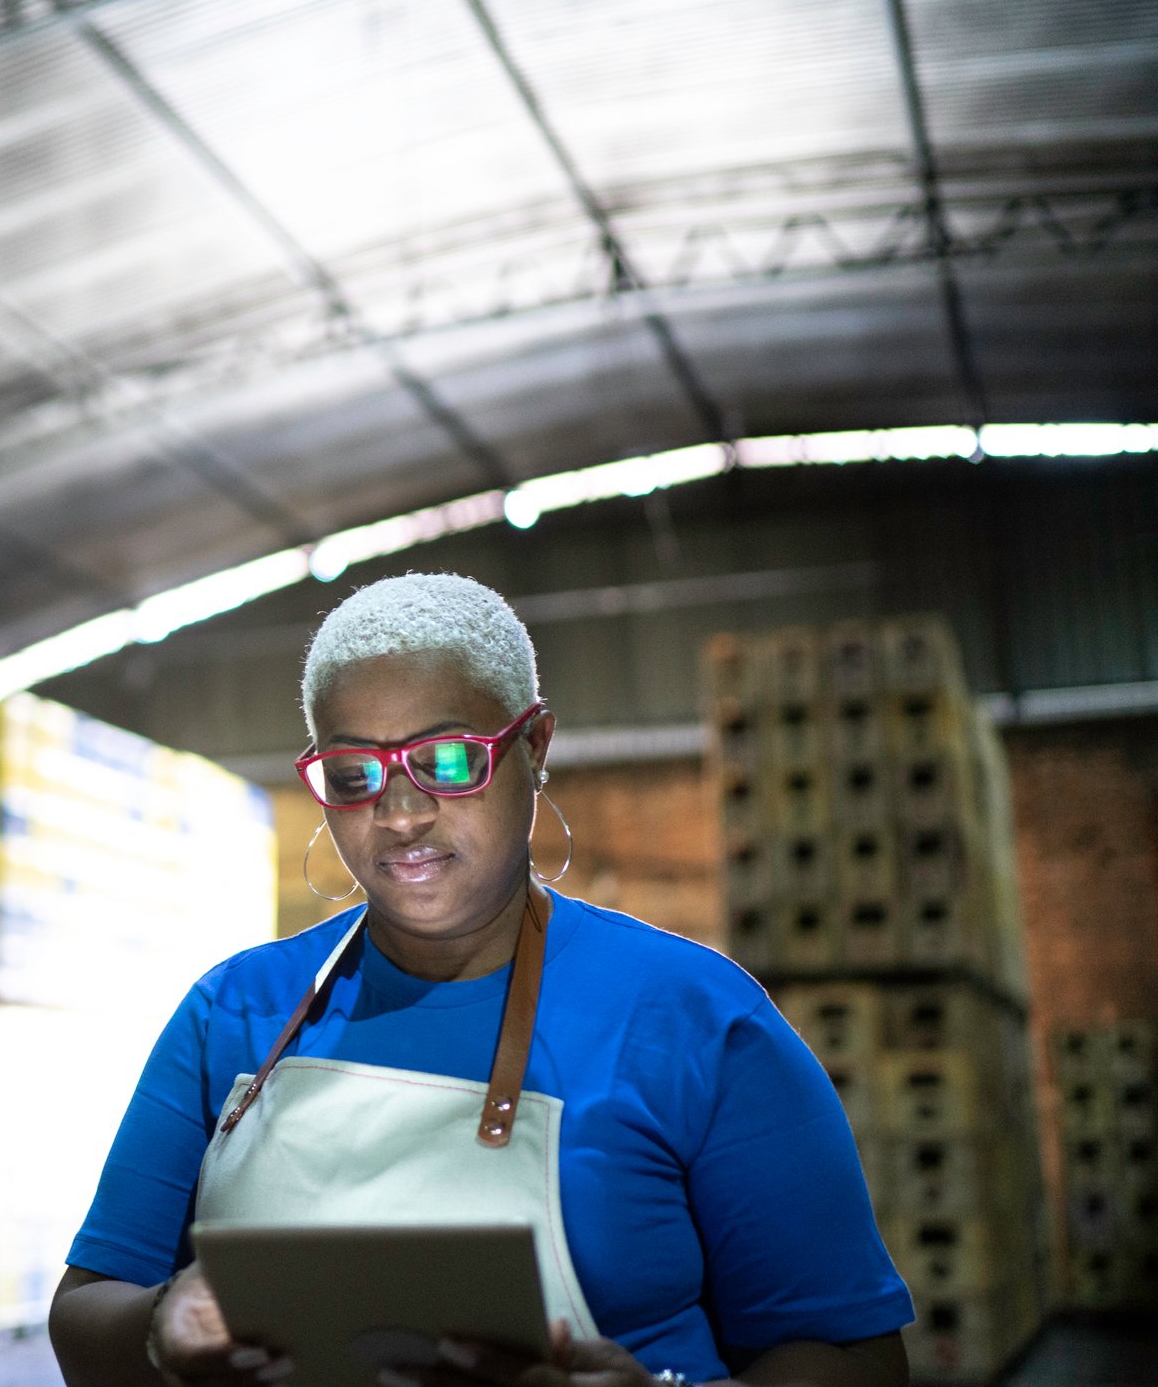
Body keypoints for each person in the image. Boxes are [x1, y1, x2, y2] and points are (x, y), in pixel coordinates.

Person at [49, 573, 912, 1387]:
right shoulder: (233, 1013)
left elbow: (859, 1363)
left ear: (534, 745)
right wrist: (166, 1326)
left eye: (450, 761)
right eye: (356, 776)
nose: (400, 813)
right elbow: (84, 1317)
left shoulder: (693, 1021)